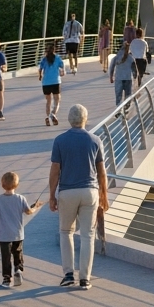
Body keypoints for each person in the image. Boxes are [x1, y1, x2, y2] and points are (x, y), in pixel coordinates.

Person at [49, 104, 109, 290]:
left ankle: (68, 274)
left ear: (69, 119)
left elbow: (55, 171)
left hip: (67, 191)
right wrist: (104, 195)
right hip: (90, 191)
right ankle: (85, 278)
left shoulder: (60, 140)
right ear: (85, 119)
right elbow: (102, 172)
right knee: (87, 235)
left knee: (66, 232)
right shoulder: (95, 140)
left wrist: (52, 195)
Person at [0, 171, 41, 288]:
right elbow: (28, 211)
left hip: (4, 235)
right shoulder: (20, 198)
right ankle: (18, 269)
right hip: (17, 233)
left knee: (6, 256)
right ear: (17, 185)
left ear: (2, 184)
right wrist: (36, 207)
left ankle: (7, 278)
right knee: (17, 252)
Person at [38, 42, 65, 126]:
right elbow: (62, 66)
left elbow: (40, 69)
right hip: (56, 82)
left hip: (46, 83)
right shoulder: (57, 58)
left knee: (48, 101)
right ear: (54, 50)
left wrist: (40, 76)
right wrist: (62, 72)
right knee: (57, 100)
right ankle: (53, 114)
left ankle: (47, 117)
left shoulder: (44, 59)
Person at [110, 41, 136, 105]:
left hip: (118, 78)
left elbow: (112, 67)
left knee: (118, 96)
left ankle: (119, 111)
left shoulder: (116, 57)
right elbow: (134, 69)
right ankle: (126, 109)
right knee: (128, 95)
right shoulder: (131, 58)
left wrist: (111, 77)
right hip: (128, 78)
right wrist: (135, 78)